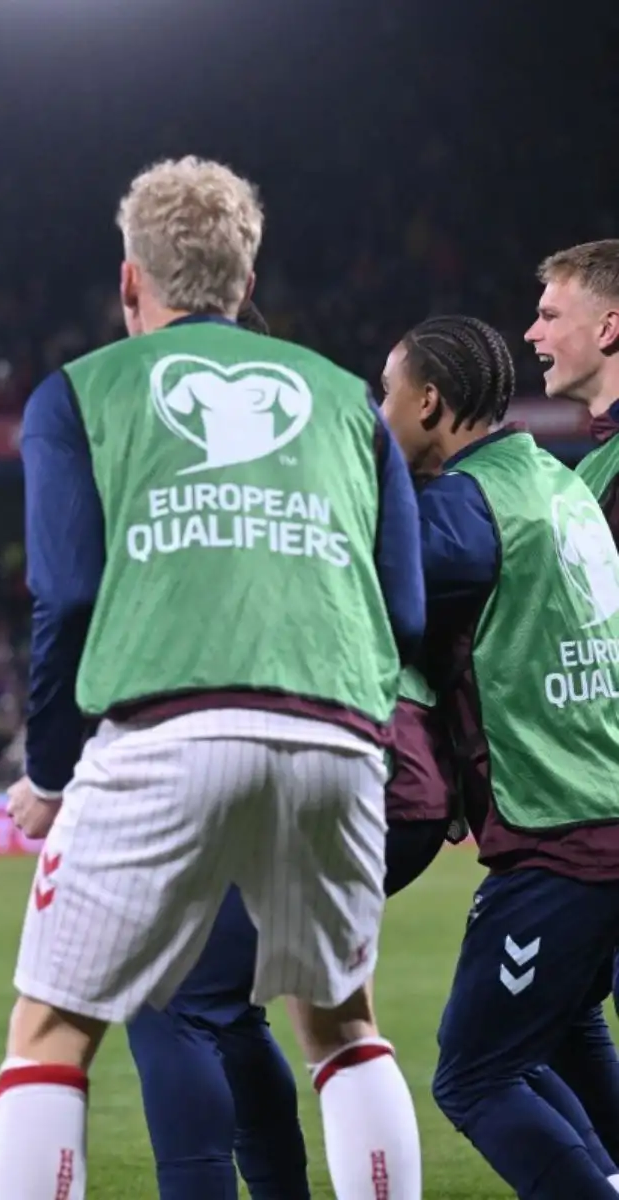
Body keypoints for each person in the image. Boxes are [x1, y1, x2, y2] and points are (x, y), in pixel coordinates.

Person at [0, 157, 425, 1200]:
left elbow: (69, 596)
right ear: (245, 273)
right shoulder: (348, 399)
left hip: (165, 730)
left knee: (51, 1031)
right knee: (340, 1022)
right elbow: (405, 610)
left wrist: (51, 776)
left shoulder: (77, 394)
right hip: (337, 732)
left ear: (130, 279)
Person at [379, 312, 619, 1196]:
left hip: (562, 836)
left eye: (388, 395)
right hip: (604, 808)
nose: (381, 413)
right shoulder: (554, 483)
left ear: (430, 401)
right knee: (559, 1031)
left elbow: (377, 593)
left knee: (474, 1075)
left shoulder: (462, 511)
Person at [531, 239, 619, 1165]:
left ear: (611, 325)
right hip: (595, 803)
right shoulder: (591, 469)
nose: (533, 332)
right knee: (556, 1017)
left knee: (487, 1055)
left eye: (551, 314)